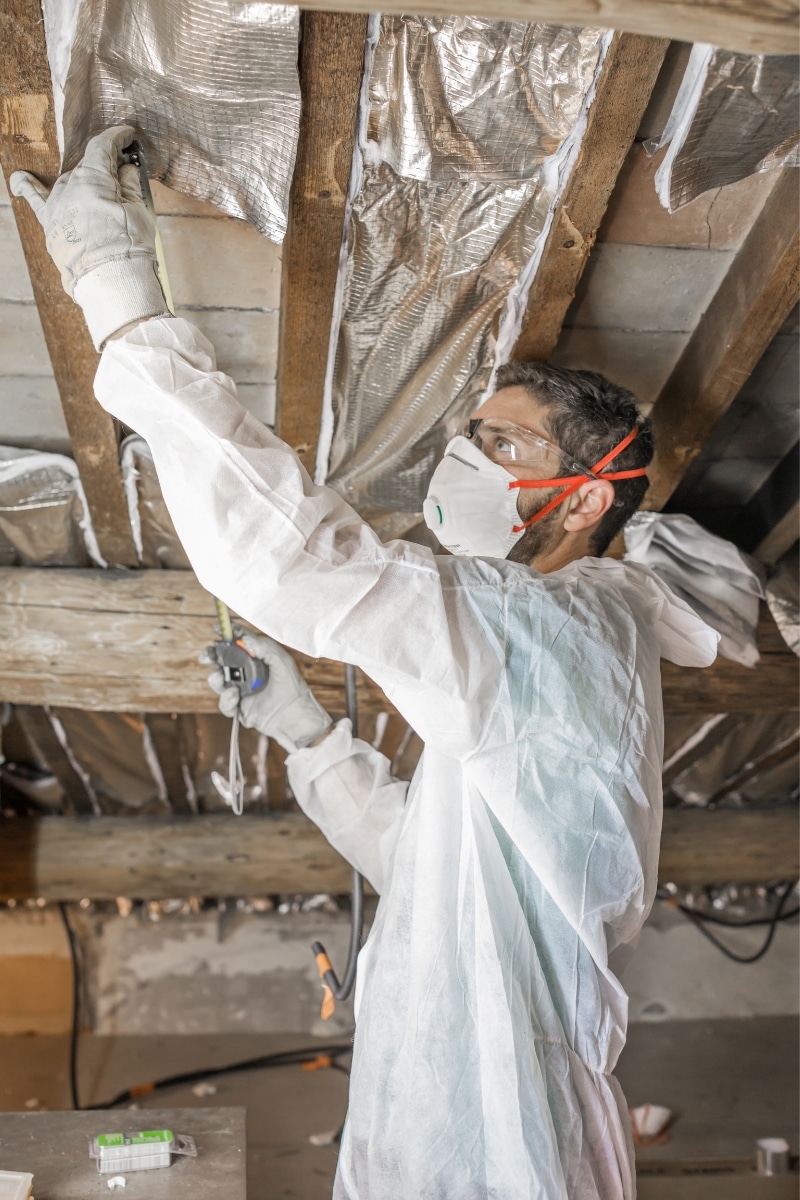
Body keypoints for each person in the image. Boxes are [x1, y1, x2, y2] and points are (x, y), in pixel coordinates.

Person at [12, 126, 718, 1200]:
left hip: (500, 1140)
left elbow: (293, 558)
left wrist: (117, 290)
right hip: (464, 1107)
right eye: (470, 434)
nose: (464, 460)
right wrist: (309, 736)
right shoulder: (563, 646)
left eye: (502, 446)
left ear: (580, 503)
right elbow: (432, 866)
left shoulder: (550, 629)